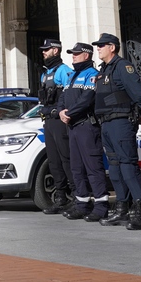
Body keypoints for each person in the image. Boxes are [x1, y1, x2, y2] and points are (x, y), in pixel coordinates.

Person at [92, 33, 141, 230]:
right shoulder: (104, 70)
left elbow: (139, 94)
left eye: (101, 45)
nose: (98, 48)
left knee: (128, 166)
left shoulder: (122, 67)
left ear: (112, 47)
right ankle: (122, 209)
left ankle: (140, 211)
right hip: (106, 124)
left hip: (121, 122)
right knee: (115, 169)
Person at [58, 43, 109, 222]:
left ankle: (101, 205)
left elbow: (87, 100)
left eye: (76, 53)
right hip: (73, 127)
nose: (73, 56)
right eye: (72, 53)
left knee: (93, 167)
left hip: (87, 125)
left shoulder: (92, 75)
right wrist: (60, 111)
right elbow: (63, 98)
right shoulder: (72, 76)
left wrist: (69, 113)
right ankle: (82, 204)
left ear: (86, 55)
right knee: (76, 168)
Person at [38, 39, 74, 215]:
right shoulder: (45, 74)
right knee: (54, 161)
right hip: (48, 121)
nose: (43, 52)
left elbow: (70, 95)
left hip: (60, 121)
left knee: (66, 158)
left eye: (46, 50)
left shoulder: (64, 71)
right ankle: (60, 198)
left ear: (56, 51)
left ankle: (77, 195)